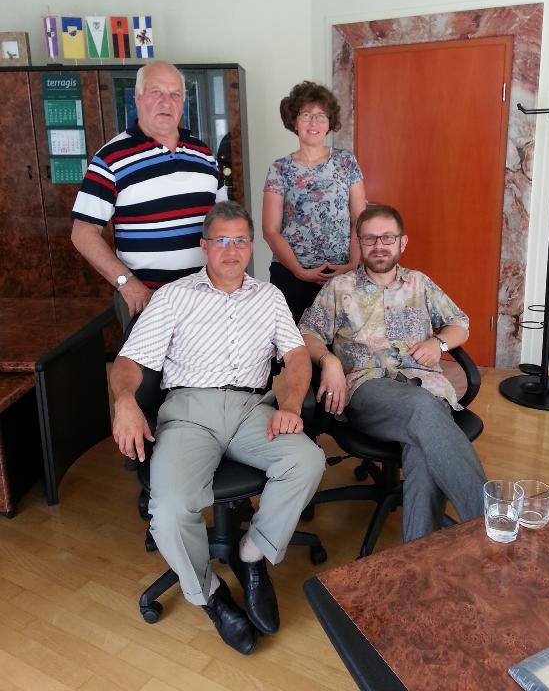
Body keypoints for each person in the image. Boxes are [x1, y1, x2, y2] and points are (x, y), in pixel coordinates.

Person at [110, 200, 326, 655]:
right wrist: (125, 400)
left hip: (252, 408)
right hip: (189, 411)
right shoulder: (174, 296)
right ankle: (209, 592)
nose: (231, 250)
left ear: (251, 246)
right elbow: (129, 362)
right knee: (170, 509)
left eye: (240, 240)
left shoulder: (269, 297)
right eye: (221, 240)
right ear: (204, 246)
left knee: (307, 460)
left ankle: (252, 553)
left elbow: (296, 356)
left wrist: (290, 403)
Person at [299, 203, 486, 542]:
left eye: (387, 237)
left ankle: (420, 556)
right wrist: (329, 361)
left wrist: (439, 343)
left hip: (424, 383)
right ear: (359, 243)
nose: (379, 246)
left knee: (423, 449)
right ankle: (491, 523)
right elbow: (307, 332)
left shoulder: (420, 283)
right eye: (370, 239)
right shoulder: (339, 288)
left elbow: (460, 323)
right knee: (422, 407)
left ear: (402, 242)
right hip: (368, 389)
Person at [71, 60, 227, 329]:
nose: (167, 102)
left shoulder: (204, 155)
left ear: (183, 101)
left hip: (206, 298)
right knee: (145, 361)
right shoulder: (110, 159)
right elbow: (82, 233)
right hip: (146, 298)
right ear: (138, 97)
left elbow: (224, 222)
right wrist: (126, 282)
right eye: (156, 92)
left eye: (175, 94)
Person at [262, 80, 367, 323]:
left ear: (330, 123)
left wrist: (352, 264)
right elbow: (270, 230)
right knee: (293, 341)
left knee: (343, 341)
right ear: (294, 121)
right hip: (291, 275)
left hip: (341, 274)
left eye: (321, 116)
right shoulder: (279, 169)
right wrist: (300, 271)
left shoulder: (346, 162)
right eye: (306, 115)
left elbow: (360, 219)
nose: (314, 123)